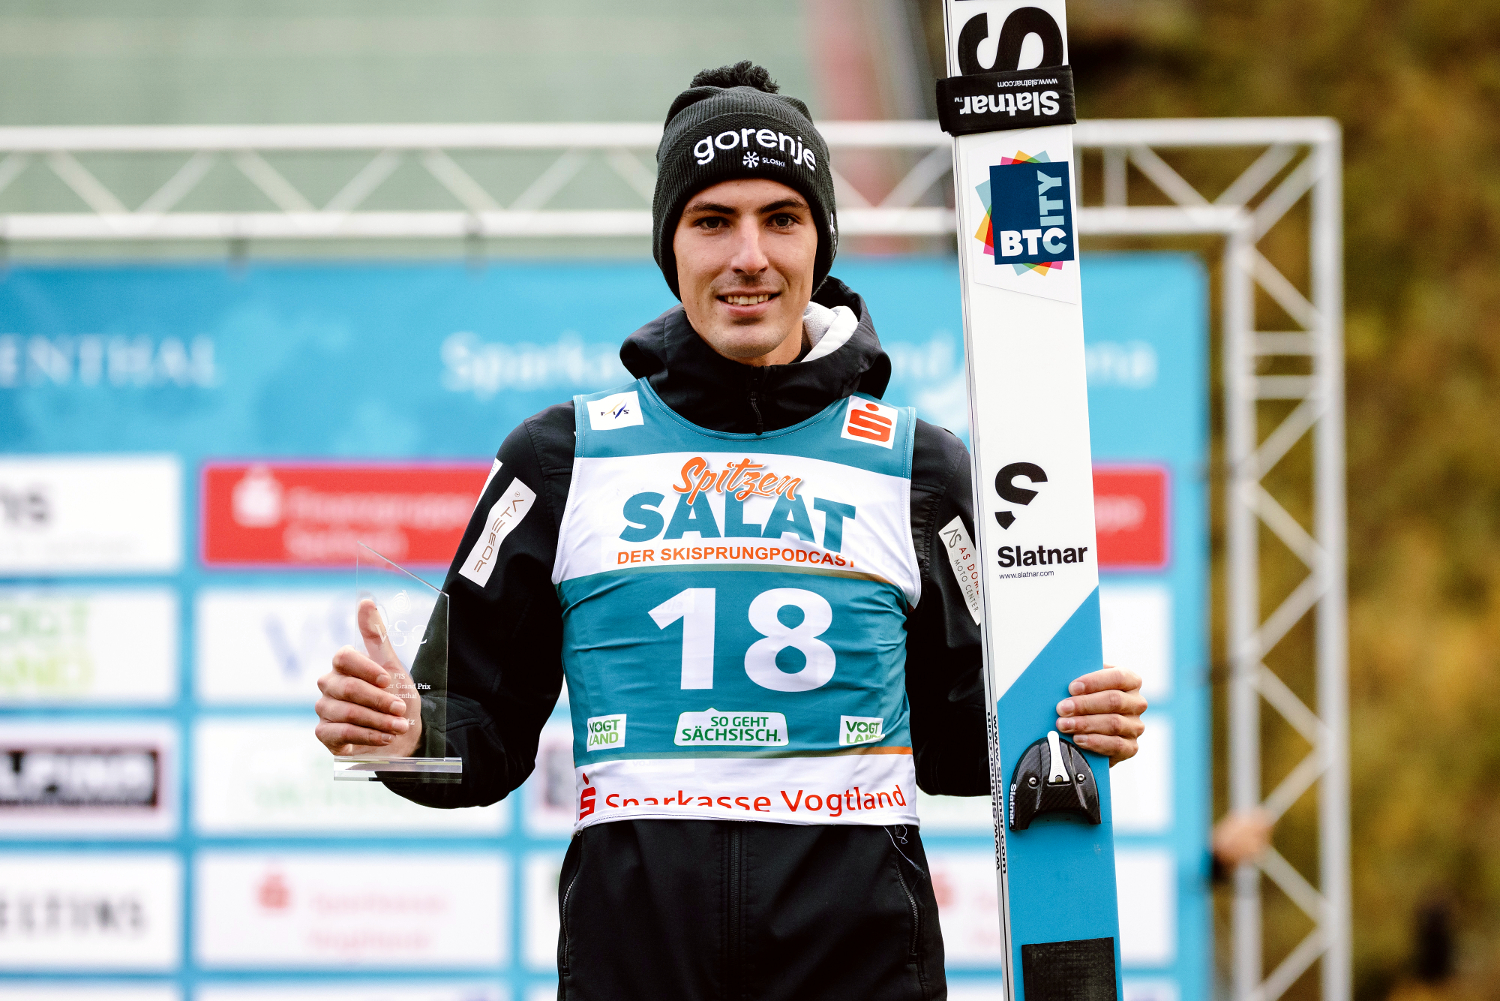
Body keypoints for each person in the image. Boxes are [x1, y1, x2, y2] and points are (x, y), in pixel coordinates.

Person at [315, 61, 1147, 1000]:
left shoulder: (921, 466)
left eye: (781, 218)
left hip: (862, 973)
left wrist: (1069, 723)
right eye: (713, 221)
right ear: (670, 248)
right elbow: (482, 728)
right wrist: (406, 732)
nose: (749, 256)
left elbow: (963, 743)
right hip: (636, 972)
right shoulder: (561, 456)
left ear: (820, 244)